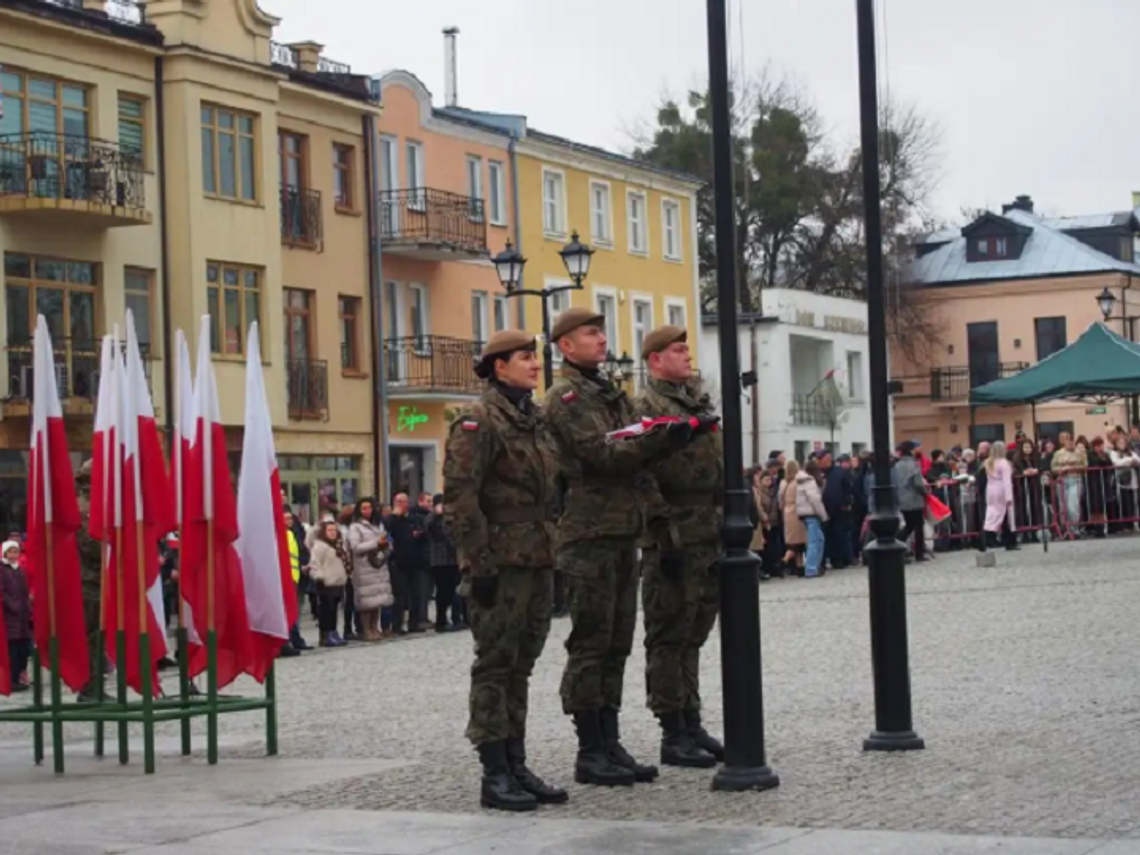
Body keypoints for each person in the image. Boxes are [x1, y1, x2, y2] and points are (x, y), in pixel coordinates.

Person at [543, 308, 708, 789]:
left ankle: (609, 740)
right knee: (591, 643)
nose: (601, 339)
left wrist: (654, 448)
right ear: (565, 346)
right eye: (590, 333)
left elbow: (632, 461)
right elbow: (603, 454)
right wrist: (661, 439)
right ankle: (589, 746)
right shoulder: (566, 398)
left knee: (617, 643)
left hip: (621, 529)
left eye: (600, 332)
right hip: (588, 533)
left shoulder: (608, 391)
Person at [443, 329, 566, 811]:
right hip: (500, 559)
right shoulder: (479, 421)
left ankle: (516, 762)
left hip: (536, 556)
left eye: (535, 357)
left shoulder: (532, 419)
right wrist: (478, 563)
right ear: (499, 366)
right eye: (524, 358)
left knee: (521, 664)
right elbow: (461, 498)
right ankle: (494, 771)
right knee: (495, 664)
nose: (535, 365)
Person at [633, 325, 724, 769]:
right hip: (673, 532)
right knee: (668, 633)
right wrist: (660, 531)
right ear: (655, 360)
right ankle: (672, 728)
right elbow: (641, 472)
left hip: (706, 531)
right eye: (677, 350)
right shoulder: (647, 407)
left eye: (687, 349)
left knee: (695, 631)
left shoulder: (697, 403)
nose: (687, 356)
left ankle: (691, 718)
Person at [75, 461, 108, 700]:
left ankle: (95, 686)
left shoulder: (96, 507)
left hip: (100, 583)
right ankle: (88, 688)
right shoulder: (83, 508)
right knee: (91, 640)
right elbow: (91, 546)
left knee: (98, 638)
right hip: (88, 584)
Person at [347, 498, 392, 641]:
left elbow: (386, 540)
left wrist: (386, 546)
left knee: (377, 599)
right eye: (364, 508)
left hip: (378, 565)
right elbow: (355, 547)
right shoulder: (355, 527)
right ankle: (366, 629)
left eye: (369, 508)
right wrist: (375, 543)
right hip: (364, 566)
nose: (367, 511)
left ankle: (375, 627)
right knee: (367, 601)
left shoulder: (378, 525)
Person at [307, 520, 350, 647]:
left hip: (338, 581)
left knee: (334, 610)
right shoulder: (320, 546)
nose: (332, 533)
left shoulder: (339, 545)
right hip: (326, 582)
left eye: (334, 530)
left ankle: (333, 631)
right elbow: (315, 564)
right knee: (326, 609)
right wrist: (319, 577)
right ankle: (325, 635)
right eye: (329, 530)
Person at [426, 493, 462, 632]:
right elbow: (431, 529)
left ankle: (455, 618)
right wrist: (437, 515)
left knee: (454, 590)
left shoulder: (451, 517)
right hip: (439, 561)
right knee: (443, 592)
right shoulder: (432, 518)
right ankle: (441, 621)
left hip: (453, 559)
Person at [1, 539, 31, 693]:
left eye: (16, 551)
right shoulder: (2, 569)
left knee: (24, 649)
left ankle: (19, 675)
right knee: (12, 649)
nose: (14, 554)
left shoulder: (19, 569)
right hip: (9, 616)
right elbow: (2, 592)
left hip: (22, 616)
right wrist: (13, 605)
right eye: (11, 551)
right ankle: (11, 680)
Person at [894, 441, 930, 561]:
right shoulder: (913, 465)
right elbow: (918, 483)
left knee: (909, 525)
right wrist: (925, 492)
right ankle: (919, 553)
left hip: (902, 499)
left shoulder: (897, 465)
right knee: (918, 526)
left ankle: (898, 543)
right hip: (914, 499)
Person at [983, 440, 1019, 550]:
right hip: (1001, 489)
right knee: (1007, 515)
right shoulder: (1004, 463)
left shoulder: (988, 462)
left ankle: (988, 538)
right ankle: (1009, 541)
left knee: (992, 514)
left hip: (991, 489)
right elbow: (1006, 481)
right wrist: (1009, 497)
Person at [795, 460, 828, 578]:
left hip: (803, 514)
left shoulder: (800, 481)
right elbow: (815, 500)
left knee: (818, 539)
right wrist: (824, 516)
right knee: (814, 542)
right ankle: (811, 568)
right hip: (812, 513)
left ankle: (814, 566)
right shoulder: (810, 482)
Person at [779, 459, 806, 575]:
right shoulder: (797, 482)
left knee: (794, 541)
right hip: (796, 511)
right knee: (798, 542)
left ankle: (799, 566)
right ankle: (784, 561)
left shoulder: (783, 483)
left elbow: (780, 500)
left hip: (787, 511)